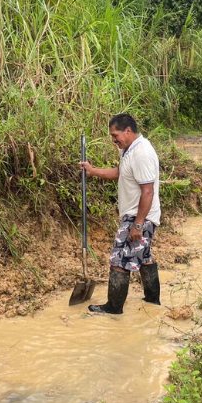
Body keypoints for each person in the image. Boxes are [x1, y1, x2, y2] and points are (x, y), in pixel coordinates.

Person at [79, 113, 161, 314]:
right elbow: (120, 172)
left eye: (115, 135)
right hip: (139, 215)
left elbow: (148, 191)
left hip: (139, 216)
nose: (113, 140)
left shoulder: (141, 153)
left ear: (128, 130)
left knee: (119, 261)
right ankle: (152, 301)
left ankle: (113, 309)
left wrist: (138, 224)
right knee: (144, 257)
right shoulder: (129, 151)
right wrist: (93, 170)